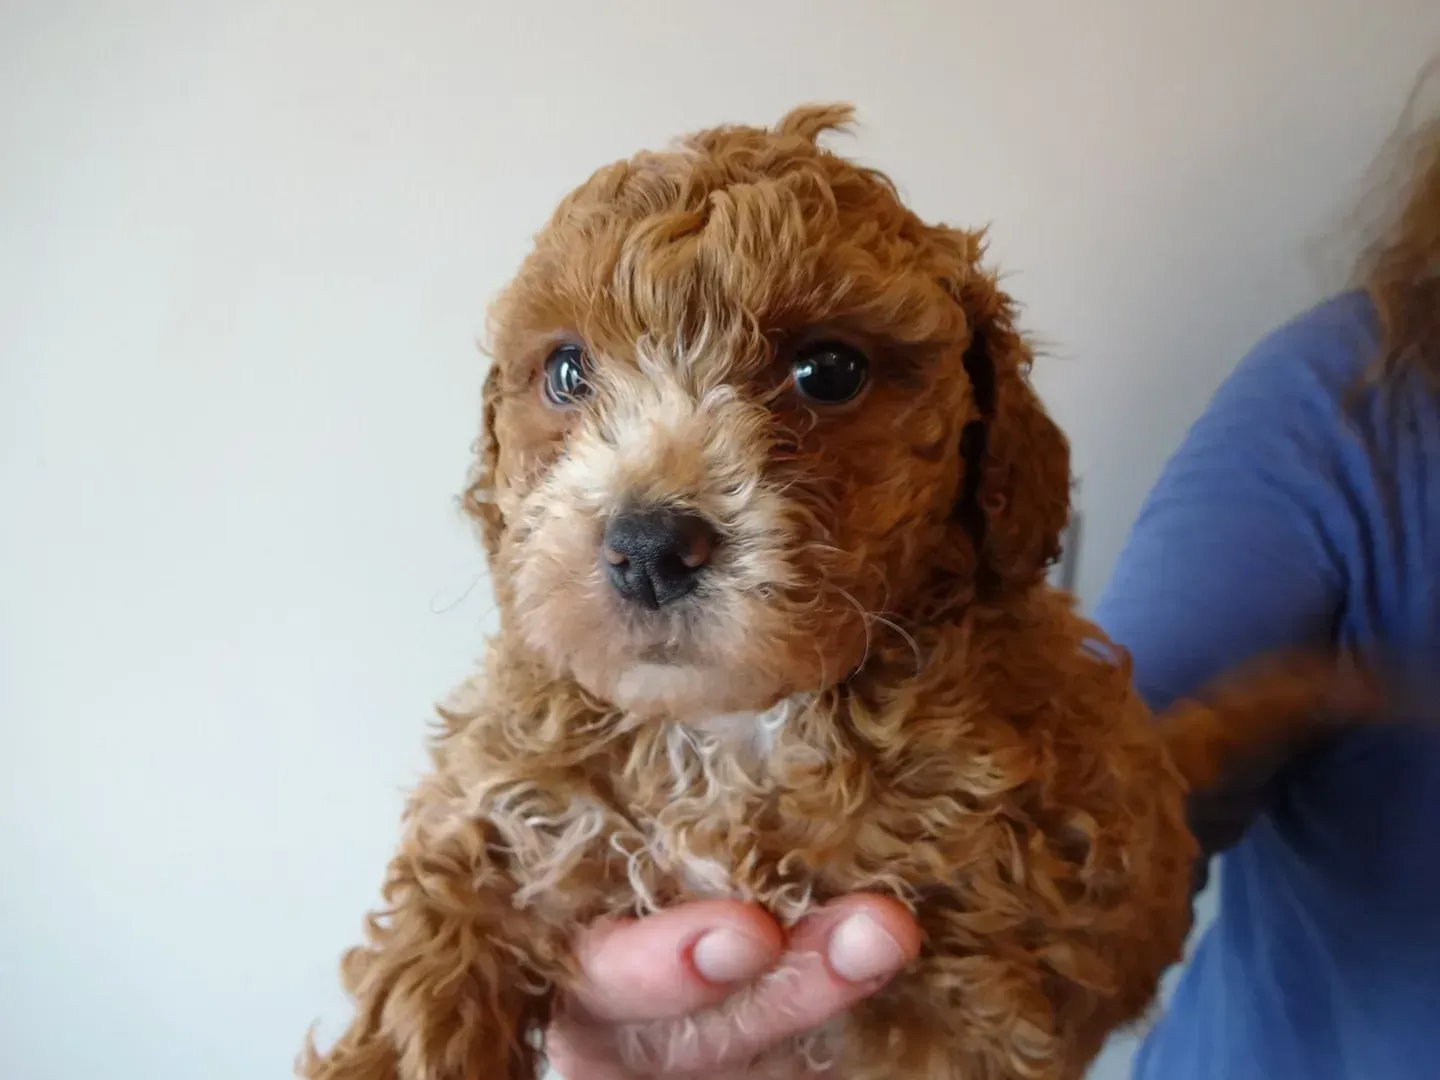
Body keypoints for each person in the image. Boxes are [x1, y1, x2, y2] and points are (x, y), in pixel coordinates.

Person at [547, 101, 1440, 1080]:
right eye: (568, 373)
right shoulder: (1366, 401)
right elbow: (1112, 794)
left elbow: (1080, 917)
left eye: (824, 374)